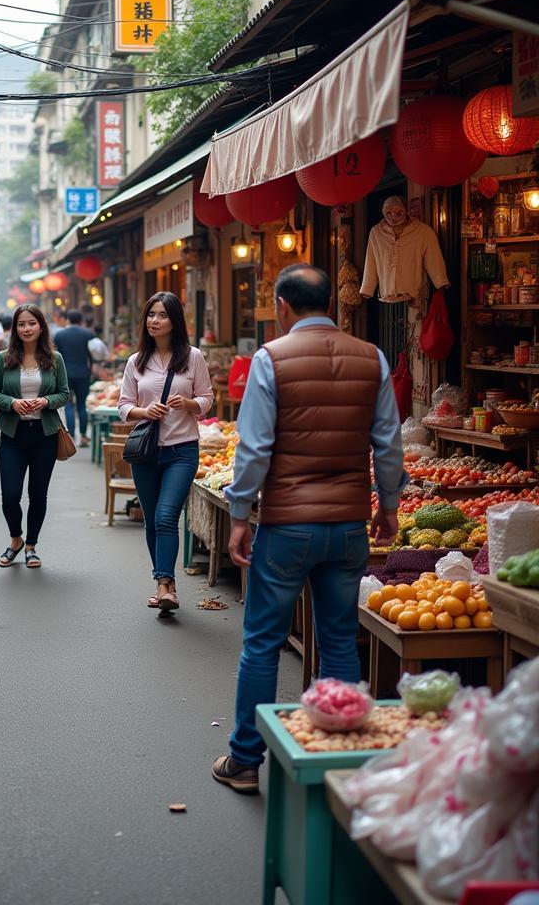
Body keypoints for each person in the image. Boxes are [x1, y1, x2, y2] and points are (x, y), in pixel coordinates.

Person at [212, 265, 405, 795]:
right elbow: (388, 444)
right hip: (347, 524)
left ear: (281, 306)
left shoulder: (271, 359)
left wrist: (238, 515)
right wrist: (388, 506)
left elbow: (254, 449)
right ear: (332, 306)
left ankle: (246, 760)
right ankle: (340, 758)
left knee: (262, 643)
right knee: (340, 639)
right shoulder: (373, 357)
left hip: (287, 525)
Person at [118, 292, 214, 612]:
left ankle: (164, 584)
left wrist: (188, 404)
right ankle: (165, 582)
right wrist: (145, 412)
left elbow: (207, 399)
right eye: (150, 315)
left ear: (175, 321)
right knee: (151, 521)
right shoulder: (136, 361)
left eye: (161, 315)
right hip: (146, 453)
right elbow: (123, 407)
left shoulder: (193, 357)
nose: (154, 321)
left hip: (182, 450)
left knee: (166, 516)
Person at [0, 304, 70, 569]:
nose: (26, 328)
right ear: (15, 328)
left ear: (41, 326)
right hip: (14, 435)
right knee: (10, 495)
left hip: (44, 435)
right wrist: (11, 403)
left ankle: (31, 546)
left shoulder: (55, 359)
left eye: (31, 323)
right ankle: (16, 539)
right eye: (21, 324)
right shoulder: (4, 358)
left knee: (38, 494)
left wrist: (46, 401)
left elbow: (65, 393)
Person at [54, 309, 94, 448]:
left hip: (66, 374)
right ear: (80, 320)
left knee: (69, 405)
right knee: (82, 405)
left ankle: (70, 436)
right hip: (83, 373)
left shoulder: (59, 335)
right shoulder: (88, 334)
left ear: (68, 319)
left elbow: (55, 355)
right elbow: (95, 353)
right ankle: (83, 436)